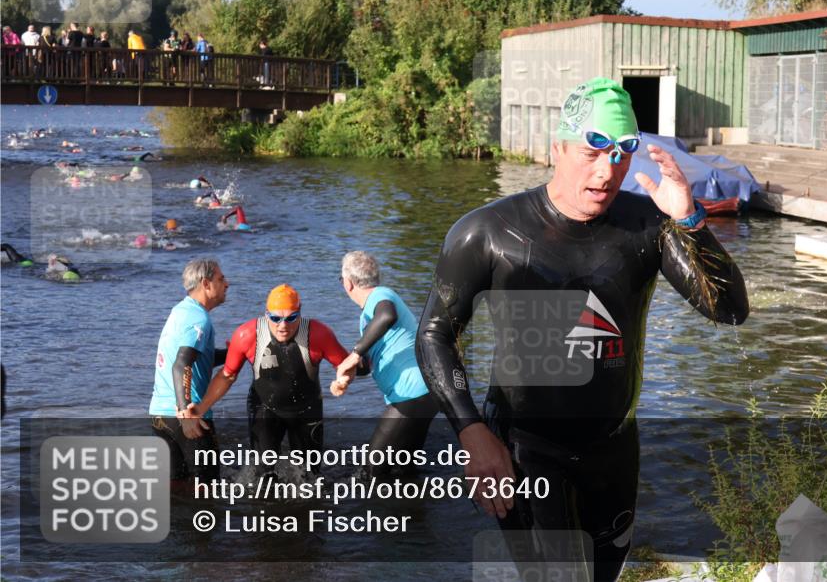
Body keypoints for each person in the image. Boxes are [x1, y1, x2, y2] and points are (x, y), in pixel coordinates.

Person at [415, 78, 749, 581]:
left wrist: (690, 219)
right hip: (524, 449)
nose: (607, 171)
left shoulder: (650, 225)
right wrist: (471, 431)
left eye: (621, 154)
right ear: (557, 149)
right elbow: (435, 335)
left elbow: (728, 310)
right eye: (592, 151)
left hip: (614, 450)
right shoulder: (487, 231)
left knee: (604, 575)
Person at [182, 284, 358, 457]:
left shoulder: (318, 334)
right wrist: (200, 409)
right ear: (266, 314)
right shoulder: (247, 335)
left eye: (291, 318)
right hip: (264, 408)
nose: (283, 326)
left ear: (300, 312)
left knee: (309, 474)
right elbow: (227, 375)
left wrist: (343, 380)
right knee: (264, 473)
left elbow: (348, 365)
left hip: (307, 409)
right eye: (275, 318)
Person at [335, 251, 439, 478]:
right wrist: (351, 368)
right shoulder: (370, 317)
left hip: (410, 395)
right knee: (405, 469)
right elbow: (369, 363)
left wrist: (354, 354)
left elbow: (387, 316)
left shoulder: (381, 296)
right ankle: (413, 512)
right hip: (425, 393)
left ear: (348, 284)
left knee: (370, 472)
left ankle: (371, 512)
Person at [148, 258, 229, 486]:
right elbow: (181, 364)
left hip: (160, 415)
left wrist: (232, 355)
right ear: (206, 283)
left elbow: (195, 358)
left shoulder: (181, 311)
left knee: (177, 489)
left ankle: (177, 523)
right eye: (221, 279)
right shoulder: (199, 319)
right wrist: (186, 415)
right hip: (187, 415)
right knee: (208, 488)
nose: (227, 284)